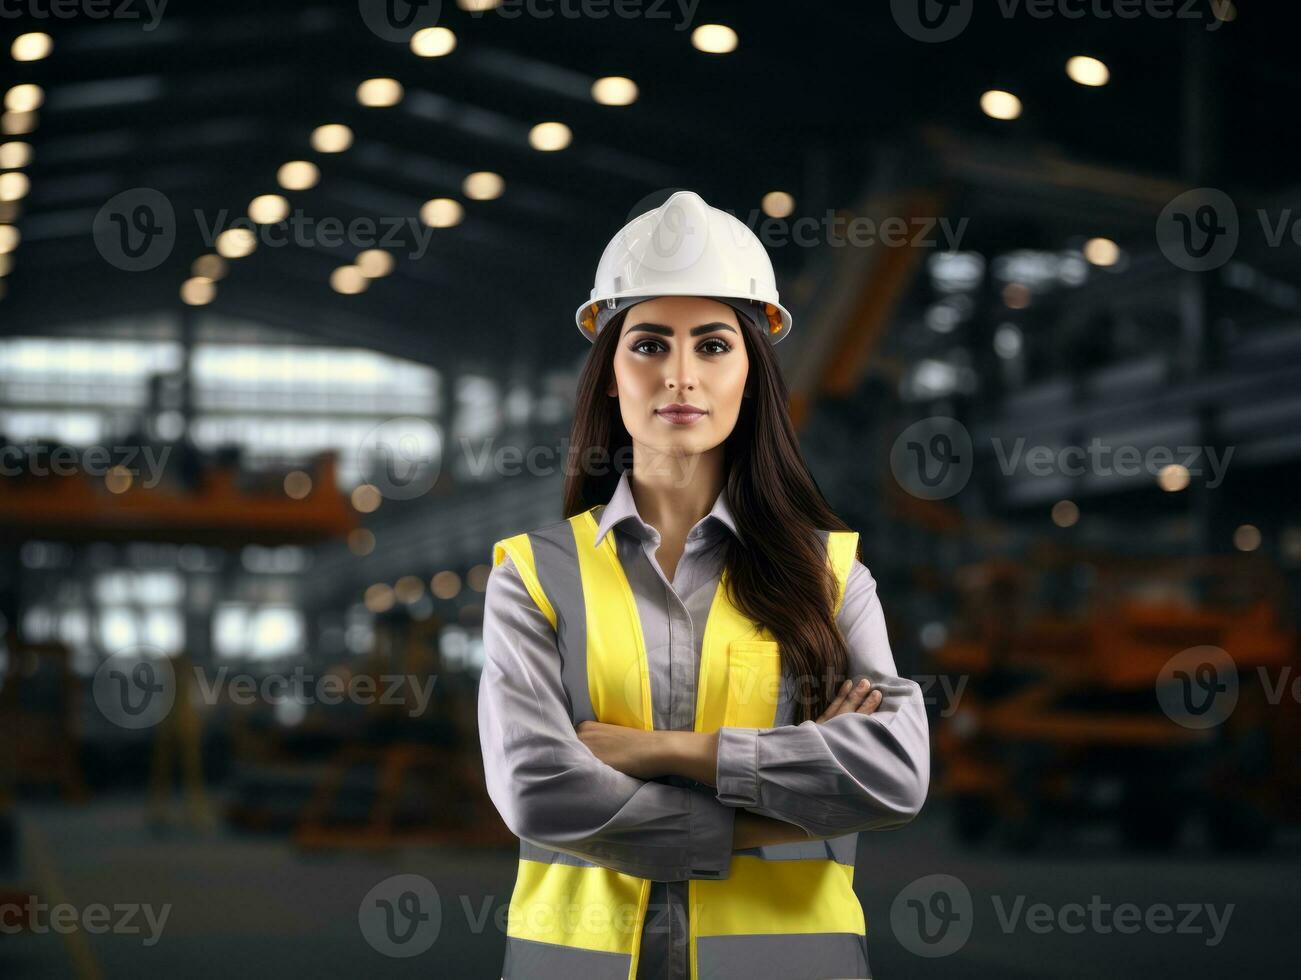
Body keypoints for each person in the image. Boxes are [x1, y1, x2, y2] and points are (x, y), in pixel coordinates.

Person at [478, 191, 930, 980]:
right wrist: (783, 812)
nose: (679, 375)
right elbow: (537, 793)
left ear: (752, 375)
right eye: (648, 345)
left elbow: (892, 771)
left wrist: (665, 752)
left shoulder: (828, 575)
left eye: (713, 346)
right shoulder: (535, 575)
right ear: (610, 377)